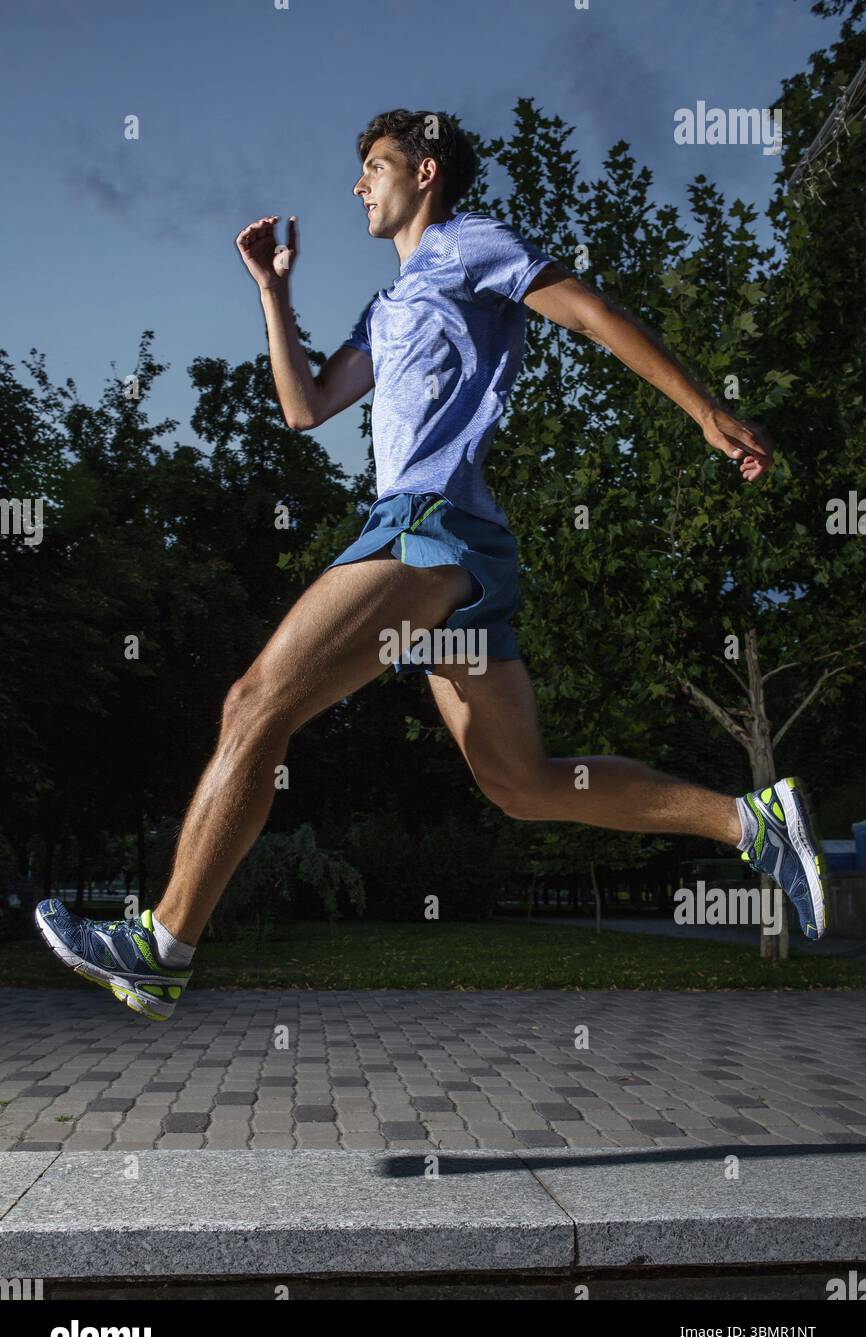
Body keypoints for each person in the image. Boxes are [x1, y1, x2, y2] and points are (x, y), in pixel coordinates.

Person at [34, 109, 827, 1020]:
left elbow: (593, 313)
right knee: (522, 785)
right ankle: (750, 821)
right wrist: (272, 292)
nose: (359, 184)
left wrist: (700, 410)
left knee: (255, 704)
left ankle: (162, 944)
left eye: (375, 165)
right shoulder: (391, 303)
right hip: (456, 555)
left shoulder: (470, 244)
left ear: (427, 172)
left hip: (428, 526)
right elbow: (305, 405)